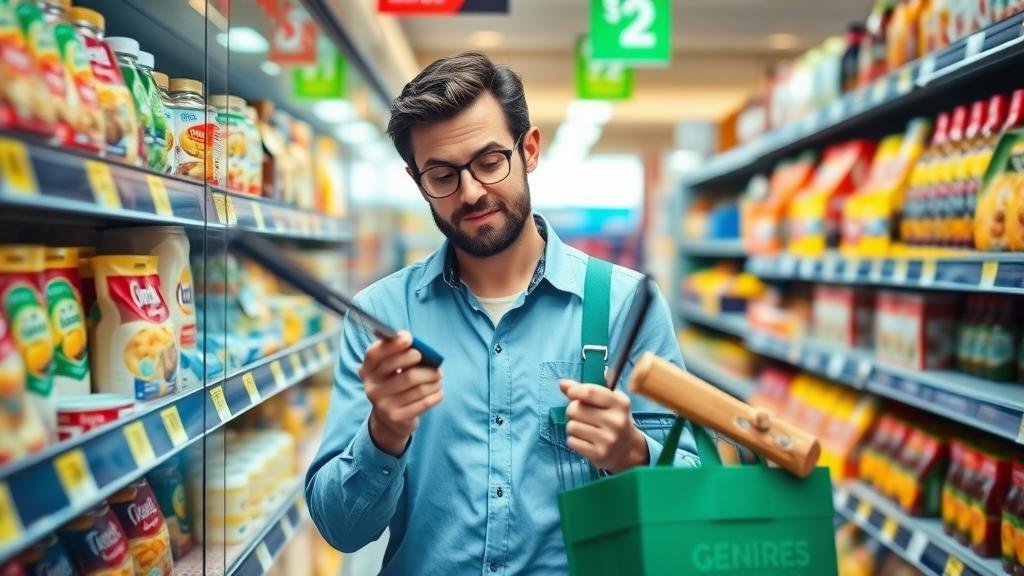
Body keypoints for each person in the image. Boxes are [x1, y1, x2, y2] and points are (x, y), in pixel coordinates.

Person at [304, 51, 698, 575]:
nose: (471, 193)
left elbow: (691, 498)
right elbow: (342, 531)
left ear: (528, 149)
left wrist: (632, 452)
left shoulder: (627, 304)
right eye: (442, 175)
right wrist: (384, 432)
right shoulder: (381, 315)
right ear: (415, 179)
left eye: (490, 162)